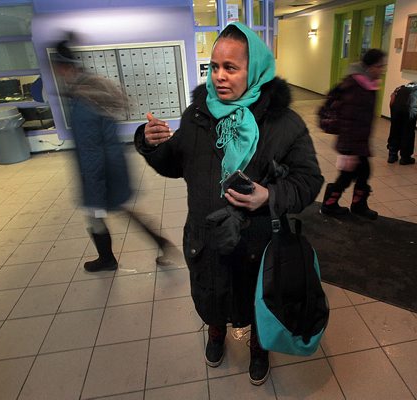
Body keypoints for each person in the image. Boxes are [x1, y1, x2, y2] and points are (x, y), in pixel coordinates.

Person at [134, 22, 323, 385]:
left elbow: (308, 180)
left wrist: (270, 195)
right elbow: (175, 164)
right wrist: (150, 144)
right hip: (206, 235)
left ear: (254, 71)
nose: (219, 77)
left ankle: (258, 346)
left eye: (231, 68)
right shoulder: (198, 115)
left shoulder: (283, 124)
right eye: (214, 67)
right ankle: (216, 332)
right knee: (211, 293)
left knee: (256, 297)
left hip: (258, 240)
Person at [51, 35, 131, 272]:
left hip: (101, 170)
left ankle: (107, 259)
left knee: (95, 216)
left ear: (65, 68)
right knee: (111, 213)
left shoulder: (84, 101)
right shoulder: (90, 88)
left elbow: (91, 152)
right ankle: (110, 257)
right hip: (112, 165)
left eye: (57, 69)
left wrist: (94, 193)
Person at [320, 48, 387, 220]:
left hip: (359, 141)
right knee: (352, 174)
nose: (382, 70)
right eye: (379, 66)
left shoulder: (367, 84)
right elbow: (349, 121)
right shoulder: (357, 87)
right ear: (369, 67)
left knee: (361, 172)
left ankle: (353, 205)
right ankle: (332, 204)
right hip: (353, 143)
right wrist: (348, 152)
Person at [387, 81, 417, 164]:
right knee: (408, 133)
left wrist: (393, 114)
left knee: (394, 131)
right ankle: (405, 158)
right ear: (416, 85)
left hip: (396, 110)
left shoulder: (399, 88)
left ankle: (392, 155)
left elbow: (392, 101)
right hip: (410, 111)